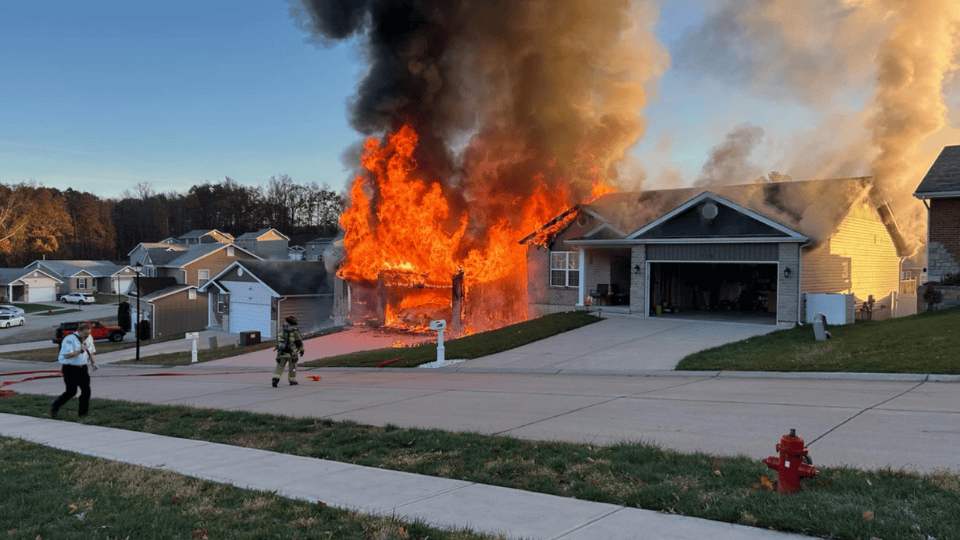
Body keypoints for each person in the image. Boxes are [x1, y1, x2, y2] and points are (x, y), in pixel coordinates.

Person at [50, 322, 98, 418]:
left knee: (86, 390)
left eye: (89, 333)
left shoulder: (89, 338)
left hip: (83, 368)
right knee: (71, 391)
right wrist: (80, 351)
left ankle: (83, 414)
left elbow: (91, 351)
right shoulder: (69, 339)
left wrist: (93, 362)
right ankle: (56, 405)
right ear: (79, 331)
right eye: (85, 333)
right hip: (70, 368)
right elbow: (66, 355)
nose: (87, 335)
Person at [272, 316, 304, 387]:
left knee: (279, 366)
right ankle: (292, 380)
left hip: (281, 352)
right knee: (293, 367)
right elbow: (298, 342)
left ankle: (275, 379)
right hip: (292, 353)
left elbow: (278, 341)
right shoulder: (294, 330)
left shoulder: (280, 329)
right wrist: (301, 350)